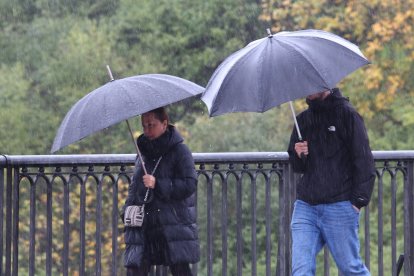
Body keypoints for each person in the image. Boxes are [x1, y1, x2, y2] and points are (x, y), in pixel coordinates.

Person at [287, 88, 376, 275]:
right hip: (306, 207)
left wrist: (358, 201)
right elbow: (298, 166)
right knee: (300, 270)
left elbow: (364, 160)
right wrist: (299, 154)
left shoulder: (348, 115)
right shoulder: (302, 120)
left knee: (351, 269)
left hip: (340, 205)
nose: (308, 89)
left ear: (325, 82)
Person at [122, 107, 199, 276]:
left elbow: (189, 184)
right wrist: (126, 211)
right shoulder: (142, 153)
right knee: (135, 269)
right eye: (144, 126)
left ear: (164, 124)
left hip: (171, 223)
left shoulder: (180, 151)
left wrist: (158, 184)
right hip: (144, 225)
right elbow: (134, 187)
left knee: (180, 269)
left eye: (151, 125)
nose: (147, 130)